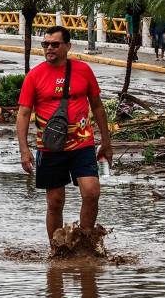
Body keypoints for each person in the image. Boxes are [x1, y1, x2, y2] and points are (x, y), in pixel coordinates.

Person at [16, 25, 113, 248]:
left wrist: (106, 142)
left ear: (67, 46)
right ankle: (56, 250)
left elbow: (97, 107)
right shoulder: (34, 76)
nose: (49, 48)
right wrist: (24, 149)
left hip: (83, 144)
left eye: (55, 44)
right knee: (55, 201)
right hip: (50, 148)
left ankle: (86, 244)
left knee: (91, 192)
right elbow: (23, 114)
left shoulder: (83, 70)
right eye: (45, 44)